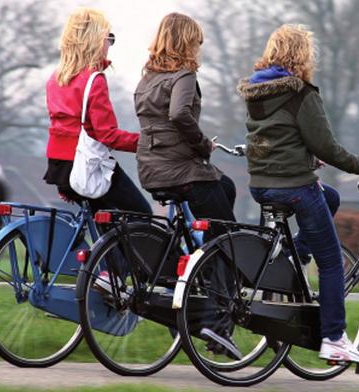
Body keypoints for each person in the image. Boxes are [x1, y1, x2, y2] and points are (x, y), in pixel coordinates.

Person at [237, 24, 359, 363]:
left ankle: (294, 255)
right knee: (331, 262)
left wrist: (304, 158)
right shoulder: (301, 93)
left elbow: (276, 140)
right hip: (294, 187)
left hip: (261, 185)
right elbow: (329, 148)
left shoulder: (256, 93)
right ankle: (334, 337)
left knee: (329, 197)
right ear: (302, 55)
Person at [134, 12, 239, 358]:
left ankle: (201, 270)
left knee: (226, 190)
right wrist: (202, 144)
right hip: (183, 171)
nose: (200, 49)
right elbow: (180, 115)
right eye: (196, 42)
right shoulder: (184, 76)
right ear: (185, 42)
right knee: (229, 239)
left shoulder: (148, 77)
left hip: (151, 171)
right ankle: (217, 321)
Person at [43, 7, 151, 215]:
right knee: (142, 213)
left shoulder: (55, 78)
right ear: (94, 40)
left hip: (59, 167)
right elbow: (107, 134)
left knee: (107, 225)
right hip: (85, 166)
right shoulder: (94, 79)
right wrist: (148, 143)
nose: (109, 44)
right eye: (108, 37)